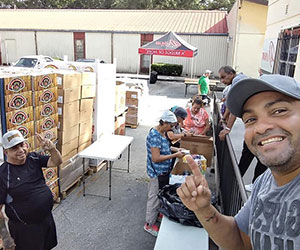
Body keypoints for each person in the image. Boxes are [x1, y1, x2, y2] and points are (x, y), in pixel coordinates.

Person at [177, 74, 300, 249]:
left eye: (279, 111)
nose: (261, 127)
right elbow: (240, 239)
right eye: (251, 119)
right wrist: (203, 209)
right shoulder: (264, 182)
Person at [0, 130, 62, 250]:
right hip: (25, 230)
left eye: (22, 145)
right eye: (14, 148)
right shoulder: (3, 174)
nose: (21, 150)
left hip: (46, 220)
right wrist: (4, 236)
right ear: (6, 152)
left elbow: (56, 161)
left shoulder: (33, 158)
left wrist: (52, 149)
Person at [218, 66, 267, 183]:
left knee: (259, 156)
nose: (222, 81)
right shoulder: (238, 81)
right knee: (249, 152)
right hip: (255, 123)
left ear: (231, 73)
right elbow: (232, 103)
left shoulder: (238, 83)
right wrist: (224, 117)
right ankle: (238, 180)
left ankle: (251, 183)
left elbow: (235, 109)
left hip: (259, 123)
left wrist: (228, 128)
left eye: (224, 77)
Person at [144, 110, 184, 237]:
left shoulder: (161, 133)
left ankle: (158, 214)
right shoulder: (155, 135)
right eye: (171, 125)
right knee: (154, 198)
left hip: (163, 172)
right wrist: (175, 155)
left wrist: (176, 149)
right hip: (157, 173)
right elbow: (156, 158)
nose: (171, 128)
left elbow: (166, 147)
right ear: (164, 122)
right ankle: (149, 224)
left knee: (161, 194)